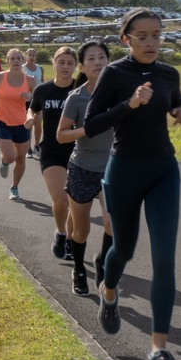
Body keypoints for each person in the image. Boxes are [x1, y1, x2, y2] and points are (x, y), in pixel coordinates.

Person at [83, 8, 181, 360]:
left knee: (164, 258)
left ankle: (158, 351)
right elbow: (92, 124)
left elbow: (177, 101)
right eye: (142, 36)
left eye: (157, 35)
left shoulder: (167, 73)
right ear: (125, 39)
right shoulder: (115, 74)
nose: (151, 42)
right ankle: (108, 289)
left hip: (164, 169)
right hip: (125, 170)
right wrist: (129, 104)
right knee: (124, 250)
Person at [57, 41, 114, 297]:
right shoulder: (76, 98)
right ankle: (79, 269)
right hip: (81, 168)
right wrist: (86, 130)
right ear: (82, 66)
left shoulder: (120, 94)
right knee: (81, 230)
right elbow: (61, 135)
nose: (98, 62)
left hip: (112, 169)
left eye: (102, 57)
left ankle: (102, 260)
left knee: (113, 223)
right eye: (91, 58)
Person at [26, 46, 78, 260]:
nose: (65, 67)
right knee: (61, 199)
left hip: (78, 152)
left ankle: (68, 240)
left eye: (70, 63)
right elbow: (33, 107)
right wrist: (30, 117)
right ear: (54, 64)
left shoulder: (82, 89)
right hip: (52, 150)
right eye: (61, 62)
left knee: (75, 202)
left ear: (76, 66)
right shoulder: (43, 90)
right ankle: (61, 232)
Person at [0, 48, 36, 200]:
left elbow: (36, 100)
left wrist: (29, 96)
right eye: (12, 58)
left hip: (22, 124)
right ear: (7, 62)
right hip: (3, 121)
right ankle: (4, 161)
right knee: (10, 157)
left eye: (18, 58)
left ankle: (14, 187)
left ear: (23, 61)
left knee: (21, 158)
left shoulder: (30, 80)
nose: (15, 61)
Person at [23, 48, 44, 158]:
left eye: (33, 55)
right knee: (29, 124)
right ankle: (28, 148)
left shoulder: (40, 68)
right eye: (29, 55)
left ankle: (36, 145)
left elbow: (42, 82)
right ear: (26, 56)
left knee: (38, 124)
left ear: (36, 57)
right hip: (26, 100)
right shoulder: (22, 68)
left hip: (38, 99)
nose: (31, 57)